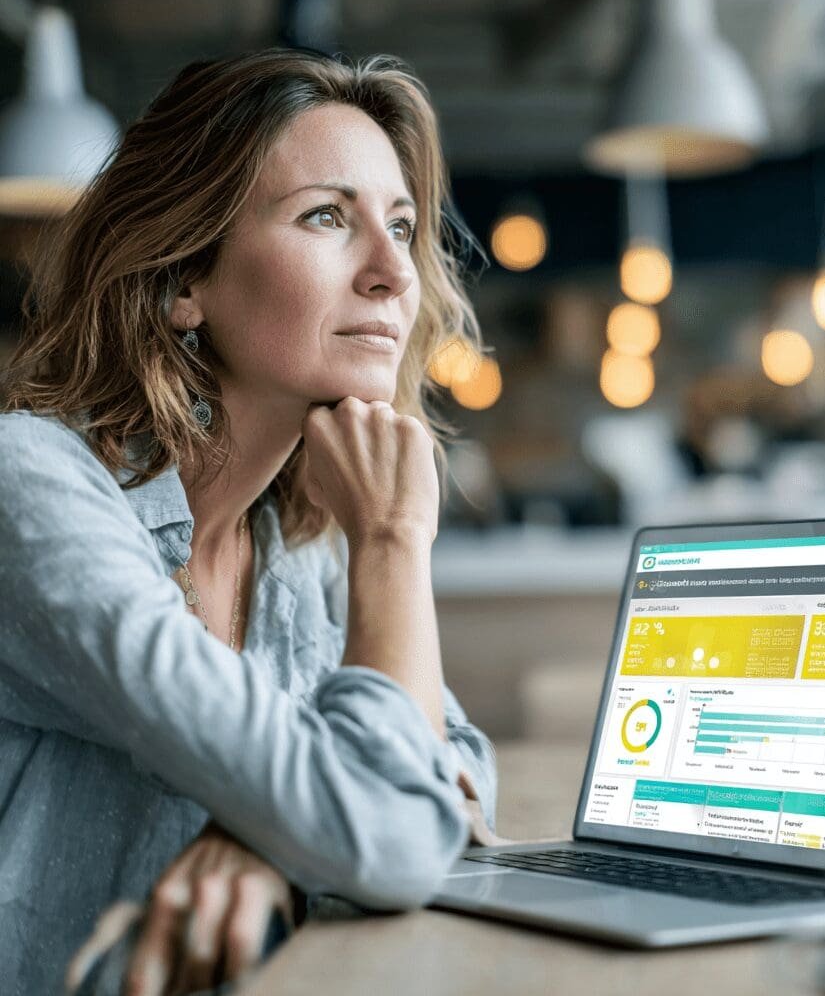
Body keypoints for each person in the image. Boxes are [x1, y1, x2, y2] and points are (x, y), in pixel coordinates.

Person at [0, 49, 497, 995]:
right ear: (187, 276)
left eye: (401, 226)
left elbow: (458, 764)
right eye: (327, 217)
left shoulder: (294, 544)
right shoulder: (30, 486)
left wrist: (273, 838)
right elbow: (395, 835)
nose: (396, 273)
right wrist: (393, 544)